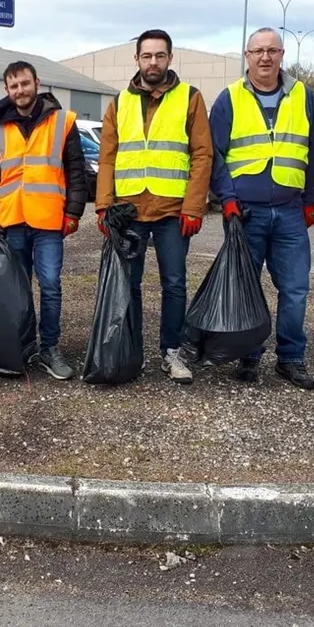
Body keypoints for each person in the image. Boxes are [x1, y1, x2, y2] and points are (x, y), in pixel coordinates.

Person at [208, 27, 314, 388]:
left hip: (291, 210)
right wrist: (227, 199)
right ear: (247, 56)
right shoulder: (229, 98)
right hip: (246, 212)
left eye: (272, 50)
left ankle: (290, 358)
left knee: (295, 289)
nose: (265, 57)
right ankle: (249, 356)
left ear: (281, 55)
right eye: (258, 51)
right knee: (247, 287)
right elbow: (215, 156)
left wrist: (312, 200)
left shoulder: (303, 95)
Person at [95, 29, 213, 383]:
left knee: (174, 283)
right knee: (128, 284)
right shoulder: (119, 102)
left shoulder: (190, 98)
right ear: (137, 60)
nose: (153, 62)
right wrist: (103, 205)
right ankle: (130, 349)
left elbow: (203, 154)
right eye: (146, 56)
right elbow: (108, 157)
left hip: (171, 211)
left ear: (169, 59)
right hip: (130, 210)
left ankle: (171, 352)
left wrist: (194, 207)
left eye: (160, 56)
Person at [0, 60, 88, 380]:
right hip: (12, 219)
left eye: (25, 83)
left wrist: (74, 212)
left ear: (36, 83)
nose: (20, 90)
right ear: (7, 90)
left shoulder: (62, 121)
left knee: (50, 285)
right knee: (18, 288)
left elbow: (76, 171)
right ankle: (23, 345)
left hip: (49, 220)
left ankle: (50, 348)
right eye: (13, 86)